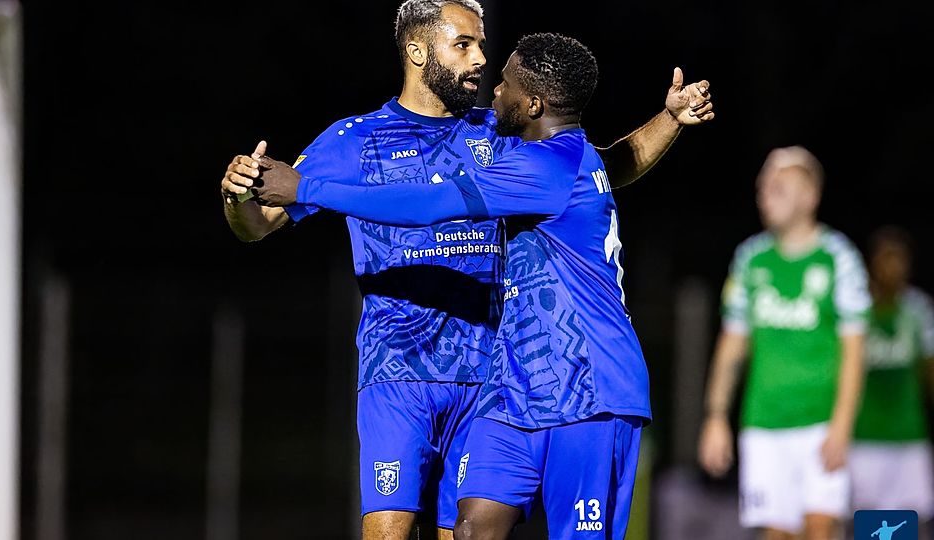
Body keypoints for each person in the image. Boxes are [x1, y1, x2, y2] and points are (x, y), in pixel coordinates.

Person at [220, 2, 713, 538]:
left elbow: (606, 164)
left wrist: (668, 120)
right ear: (417, 52)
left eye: (481, 45)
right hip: (398, 368)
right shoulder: (353, 140)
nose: (480, 58)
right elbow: (259, 223)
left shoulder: (502, 132)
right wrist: (237, 198)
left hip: (491, 374)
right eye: (463, 45)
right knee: (388, 529)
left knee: (465, 530)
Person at [698, 146, 871, 540]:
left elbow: (854, 351)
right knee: (776, 533)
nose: (765, 195)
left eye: (779, 187)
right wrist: (715, 417)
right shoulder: (750, 258)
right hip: (764, 424)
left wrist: (843, 424)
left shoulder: (839, 257)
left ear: (810, 196)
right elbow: (732, 346)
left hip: (820, 422)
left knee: (821, 529)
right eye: (762, 188)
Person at [850, 227, 934, 526]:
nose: (893, 267)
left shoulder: (918, 309)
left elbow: (929, 369)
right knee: (870, 524)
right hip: (865, 437)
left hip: (908, 436)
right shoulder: (857, 310)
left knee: (908, 521)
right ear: (872, 263)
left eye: (899, 259)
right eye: (886, 258)